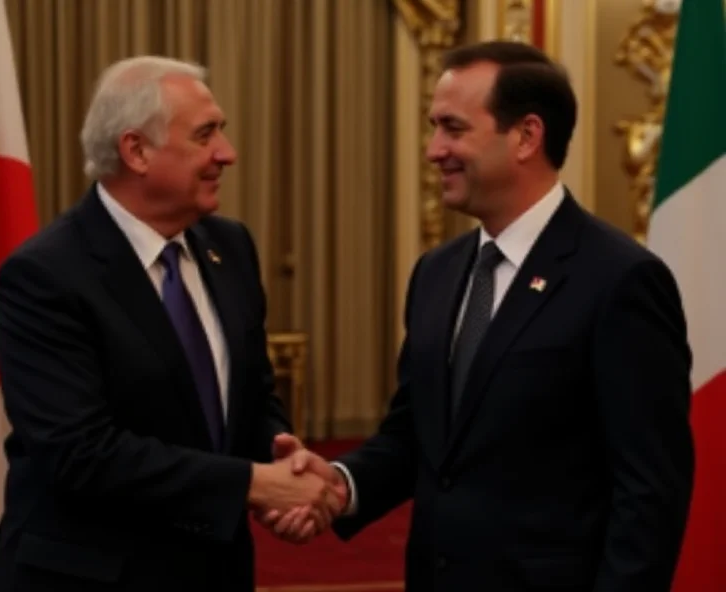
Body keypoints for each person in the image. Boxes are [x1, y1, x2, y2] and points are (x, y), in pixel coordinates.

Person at [264, 40, 695, 591]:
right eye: (433, 127)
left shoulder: (619, 279)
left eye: (453, 128)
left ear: (526, 136)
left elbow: (650, 492)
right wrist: (341, 485)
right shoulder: (436, 275)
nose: (433, 149)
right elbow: (416, 438)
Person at [0, 56, 342, 592]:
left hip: (212, 568)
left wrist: (279, 455)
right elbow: (80, 454)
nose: (228, 153)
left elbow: (250, 394)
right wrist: (251, 484)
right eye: (206, 135)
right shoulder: (45, 275)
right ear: (136, 151)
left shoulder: (230, 247)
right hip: (92, 576)